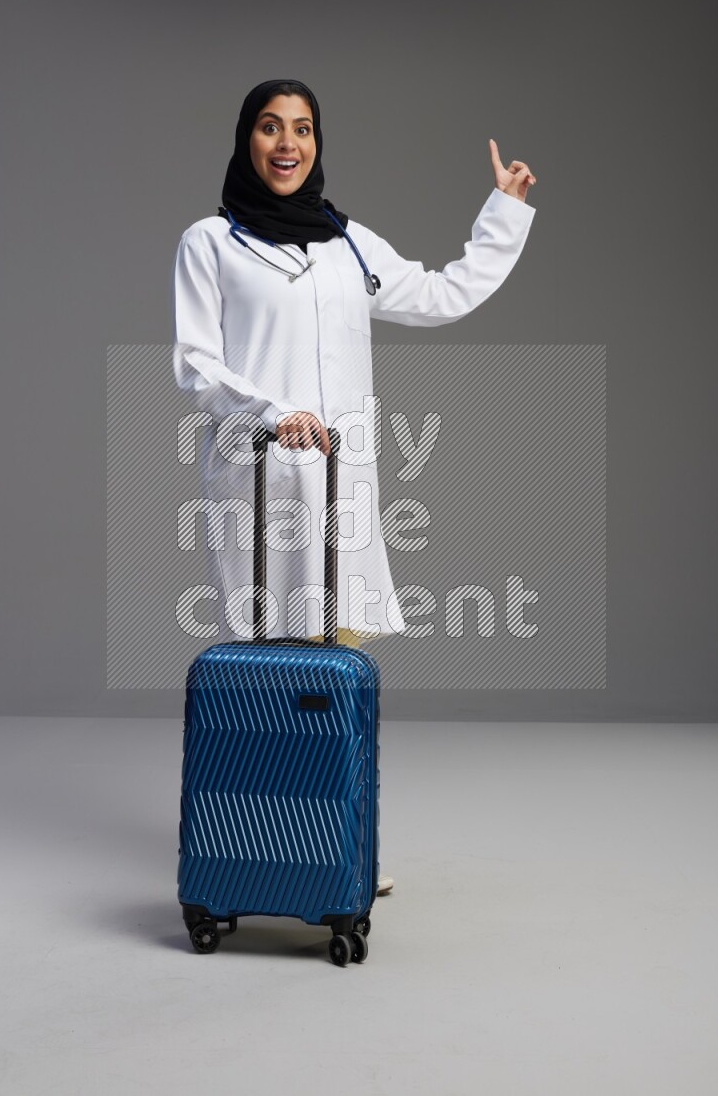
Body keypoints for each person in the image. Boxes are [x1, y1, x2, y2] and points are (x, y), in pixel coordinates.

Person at [172, 79, 536, 894]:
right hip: (259, 478)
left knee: (337, 660)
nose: (287, 143)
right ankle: (264, 851)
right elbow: (195, 362)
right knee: (269, 669)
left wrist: (502, 211)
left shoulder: (349, 243)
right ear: (247, 139)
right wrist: (272, 410)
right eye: (270, 127)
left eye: (301, 128)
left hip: (341, 481)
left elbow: (441, 294)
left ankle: (334, 851)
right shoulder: (210, 242)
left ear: (317, 141)